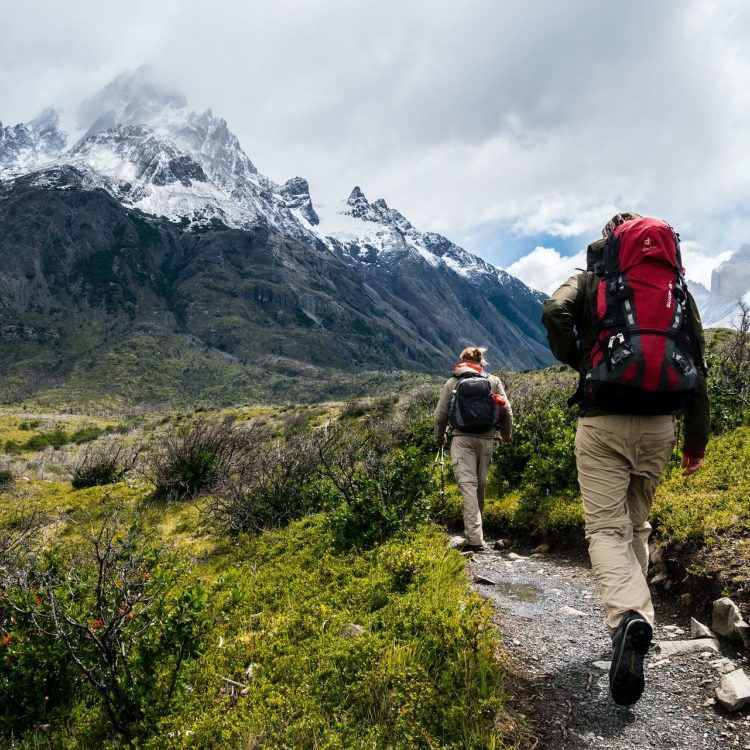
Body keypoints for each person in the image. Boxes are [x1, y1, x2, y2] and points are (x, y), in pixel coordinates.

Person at [541, 212, 710, 707]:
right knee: (637, 526)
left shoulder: (594, 279)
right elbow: (697, 361)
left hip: (603, 420)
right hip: (660, 425)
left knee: (605, 531)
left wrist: (580, 358)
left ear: (610, 241)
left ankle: (628, 620)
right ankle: (637, 622)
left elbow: (554, 312)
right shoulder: (675, 289)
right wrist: (695, 443)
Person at [434, 346, 512, 552]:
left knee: (468, 485)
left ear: (462, 361)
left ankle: (475, 539)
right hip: (487, 439)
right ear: (481, 362)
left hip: (462, 440)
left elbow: (440, 416)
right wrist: (505, 435)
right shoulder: (493, 381)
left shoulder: (452, 382)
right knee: (480, 485)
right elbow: (507, 410)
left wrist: (440, 438)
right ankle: (477, 533)